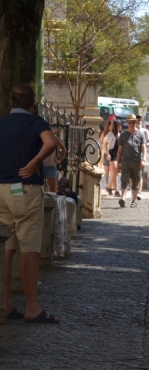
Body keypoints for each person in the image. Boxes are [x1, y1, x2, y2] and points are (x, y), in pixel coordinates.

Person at [0, 84, 60, 323]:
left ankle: (5, 302)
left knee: (6, 245)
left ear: (11, 102)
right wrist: (36, 162)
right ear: (32, 104)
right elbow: (50, 143)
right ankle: (32, 307)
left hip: (3, 189)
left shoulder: (2, 123)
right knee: (30, 249)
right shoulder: (36, 123)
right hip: (25, 190)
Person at [117, 116, 147, 208]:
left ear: (136, 122)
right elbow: (119, 150)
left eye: (133, 122)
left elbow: (144, 148)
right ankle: (123, 198)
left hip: (137, 161)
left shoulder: (140, 134)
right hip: (125, 161)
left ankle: (133, 201)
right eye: (129, 122)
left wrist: (144, 159)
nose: (131, 124)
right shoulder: (123, 135)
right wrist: (118, 163)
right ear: (127, 122)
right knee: (124, 180)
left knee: (136, 181)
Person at [105, 120, 122, 196]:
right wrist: (107, 154)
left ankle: (109, 187)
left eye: (120, 125)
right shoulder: (110, 134)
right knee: (115, 170)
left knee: (116, 172)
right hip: (112, 153)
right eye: (118, 125)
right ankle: (116, 191)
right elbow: (105, 145)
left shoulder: (120, 134)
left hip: (118, 154)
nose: (119, 127)